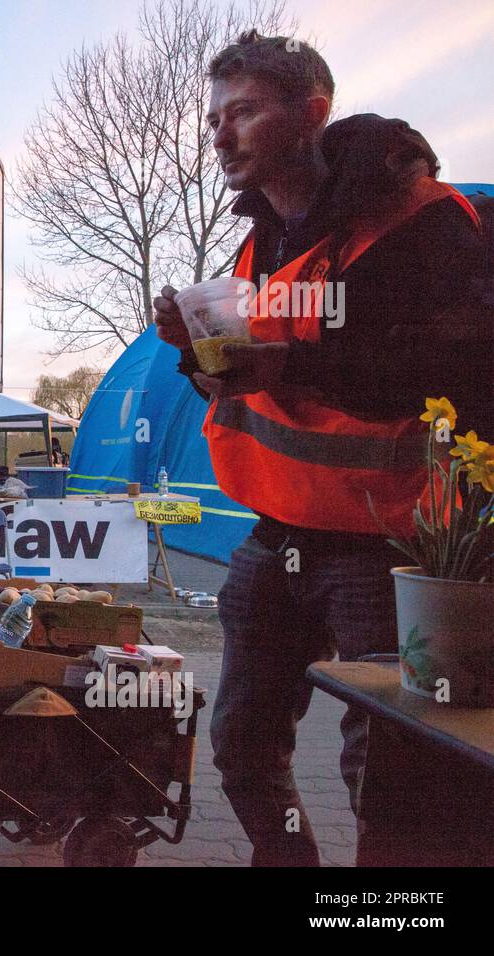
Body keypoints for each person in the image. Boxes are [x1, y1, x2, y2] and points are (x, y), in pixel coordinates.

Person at [154, 32, 490, 865]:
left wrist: (289, 363)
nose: (221, 136)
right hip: (277, 534)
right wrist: (203, 361)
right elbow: (252, 379)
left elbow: (453, 365)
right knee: (237, 741)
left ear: (311, 114)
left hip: (392, 547)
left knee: (389, 771)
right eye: (214, 120)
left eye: (244, 113)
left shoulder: (424, 222)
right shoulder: (258, 238)